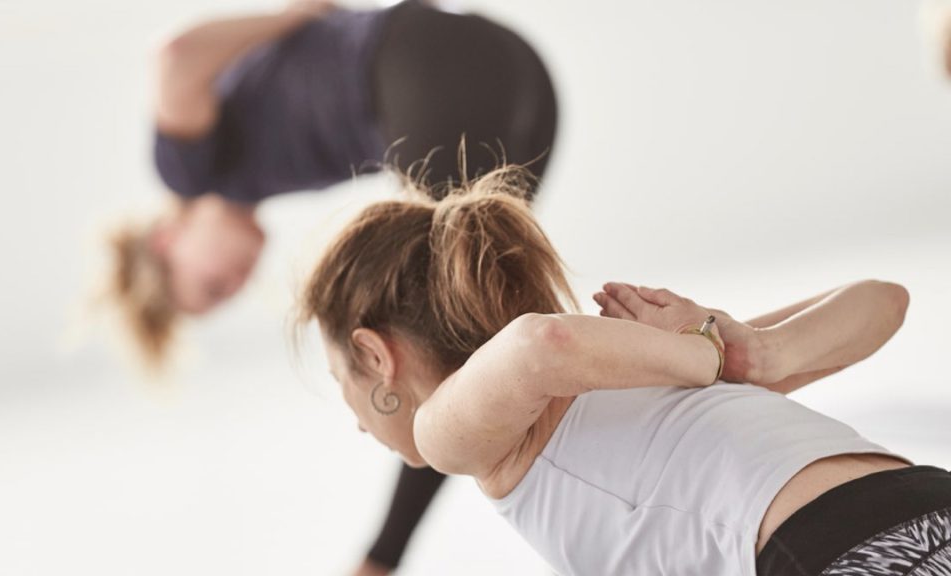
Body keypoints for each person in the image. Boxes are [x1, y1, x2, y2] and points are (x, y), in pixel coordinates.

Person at [297, 167, 951, 575]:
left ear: (377, 357)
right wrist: (753, 352)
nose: (358, 425)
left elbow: (540, 343)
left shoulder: (451, 436)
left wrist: (712, 350)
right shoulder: (655, 362)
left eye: (341, 381)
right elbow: (883, 300)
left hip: (836, 548)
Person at [107, 2, 557, 574]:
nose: (237, 284)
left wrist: (298, 12)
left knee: (440, 353)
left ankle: (379, 560)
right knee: (478, 336)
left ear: (169, 241)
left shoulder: (188, 168)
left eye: (212, 286)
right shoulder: (250, 162)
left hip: (424, 68)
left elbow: (173, 56)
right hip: (513, 77)